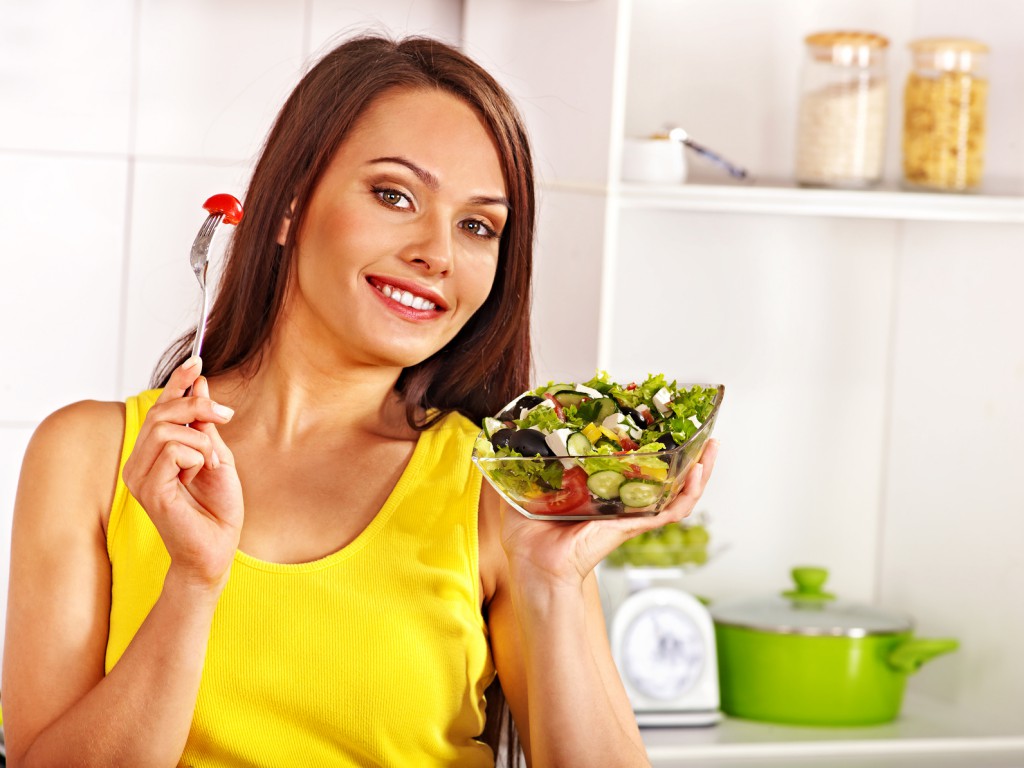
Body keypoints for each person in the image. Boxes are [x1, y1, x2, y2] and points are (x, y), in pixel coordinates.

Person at [3, 34, 719, 767]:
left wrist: (553, 582)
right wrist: (192, 583)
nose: (437, 252)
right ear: (285, 206)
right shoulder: (91, 458)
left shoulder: (498, 489)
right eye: (394, 195)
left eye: (478, 225)